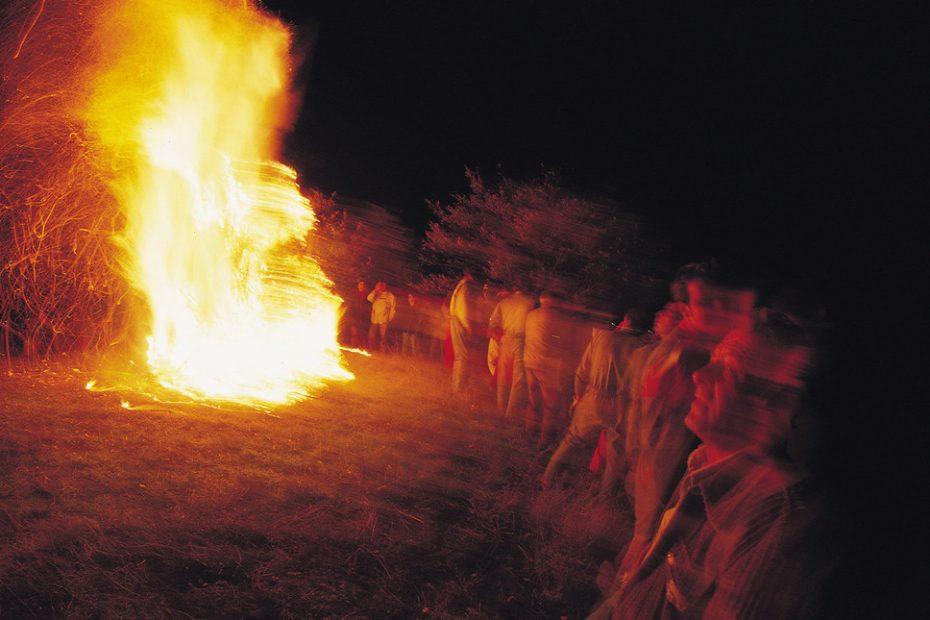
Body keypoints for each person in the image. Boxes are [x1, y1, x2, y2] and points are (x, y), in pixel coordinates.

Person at [592, 326, 828, 619]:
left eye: (728, 368)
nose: (700, 375)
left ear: (781, 403)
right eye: (713, 359)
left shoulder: (776, 525)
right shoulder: (702, 463)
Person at [613, 276, 755, 588]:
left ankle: (627, 584)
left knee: (649, 539)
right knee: (646, 536)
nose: (679, 313)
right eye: (689, 304)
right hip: (657, 458)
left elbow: (671, 426)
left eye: (696, 304)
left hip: (666, 463)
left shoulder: (695, 355)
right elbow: (647, 407)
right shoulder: (672, 350)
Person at [541, 309, 649, 486]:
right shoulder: (643, 347)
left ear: (626, 320)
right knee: (615, 454)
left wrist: (578, 396)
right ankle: (603, 498)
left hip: (595, 396)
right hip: (622, 403)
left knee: (572, 440)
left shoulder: (602, 338)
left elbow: (582, 371)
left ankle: (547, 479)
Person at [523, 291, 586, 448]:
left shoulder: (531, 315)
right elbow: (567, 342)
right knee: (550, 406)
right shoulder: (559, 318)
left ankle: (529, 433)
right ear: (555, 302)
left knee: (533, 401)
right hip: (547, 365)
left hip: (529, 361)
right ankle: (544, 442)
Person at [488, 282, 536, 417]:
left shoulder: (504, 303)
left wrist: (500, 339)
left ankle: (501, 408)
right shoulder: (531, 302)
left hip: (506, 338)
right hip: (522, 340)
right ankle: (511, 414)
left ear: (514, 288)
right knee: (518, 379)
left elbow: (493, 323)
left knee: (502, 377)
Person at [449, 271, 476, 396]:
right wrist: (467, 325)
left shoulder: (459, 286)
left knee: (460, 355)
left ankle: (457, 386)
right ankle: (459, 389)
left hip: (455, 320)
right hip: (459, 322)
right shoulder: (465, 288)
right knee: (462, 356)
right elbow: (462, 307)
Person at [366, 281, 396, 351]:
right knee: (371, 336)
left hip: (384, 320)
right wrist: (375, 291)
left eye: (382, 285)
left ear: (385, 286)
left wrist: (389, 318)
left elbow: (393, 308)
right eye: (379, 285)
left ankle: (382, 351)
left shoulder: (389, 295)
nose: (381, 286)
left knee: (383, 338)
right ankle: (371, 350)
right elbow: (369, 298)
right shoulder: (375, 293)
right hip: (374, 319)